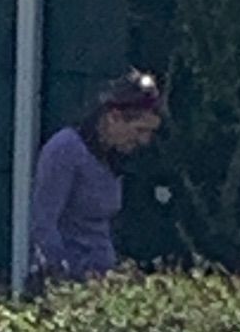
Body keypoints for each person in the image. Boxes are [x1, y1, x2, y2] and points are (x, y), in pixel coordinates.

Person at [29, 70, 163, 285]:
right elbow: (43, 224)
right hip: (68, 286)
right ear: (114, 117)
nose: (144, 140)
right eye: (139, 130)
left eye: (150, 132)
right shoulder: (66, 149)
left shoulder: (111, 158)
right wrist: (62, 276)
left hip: (102, 281)